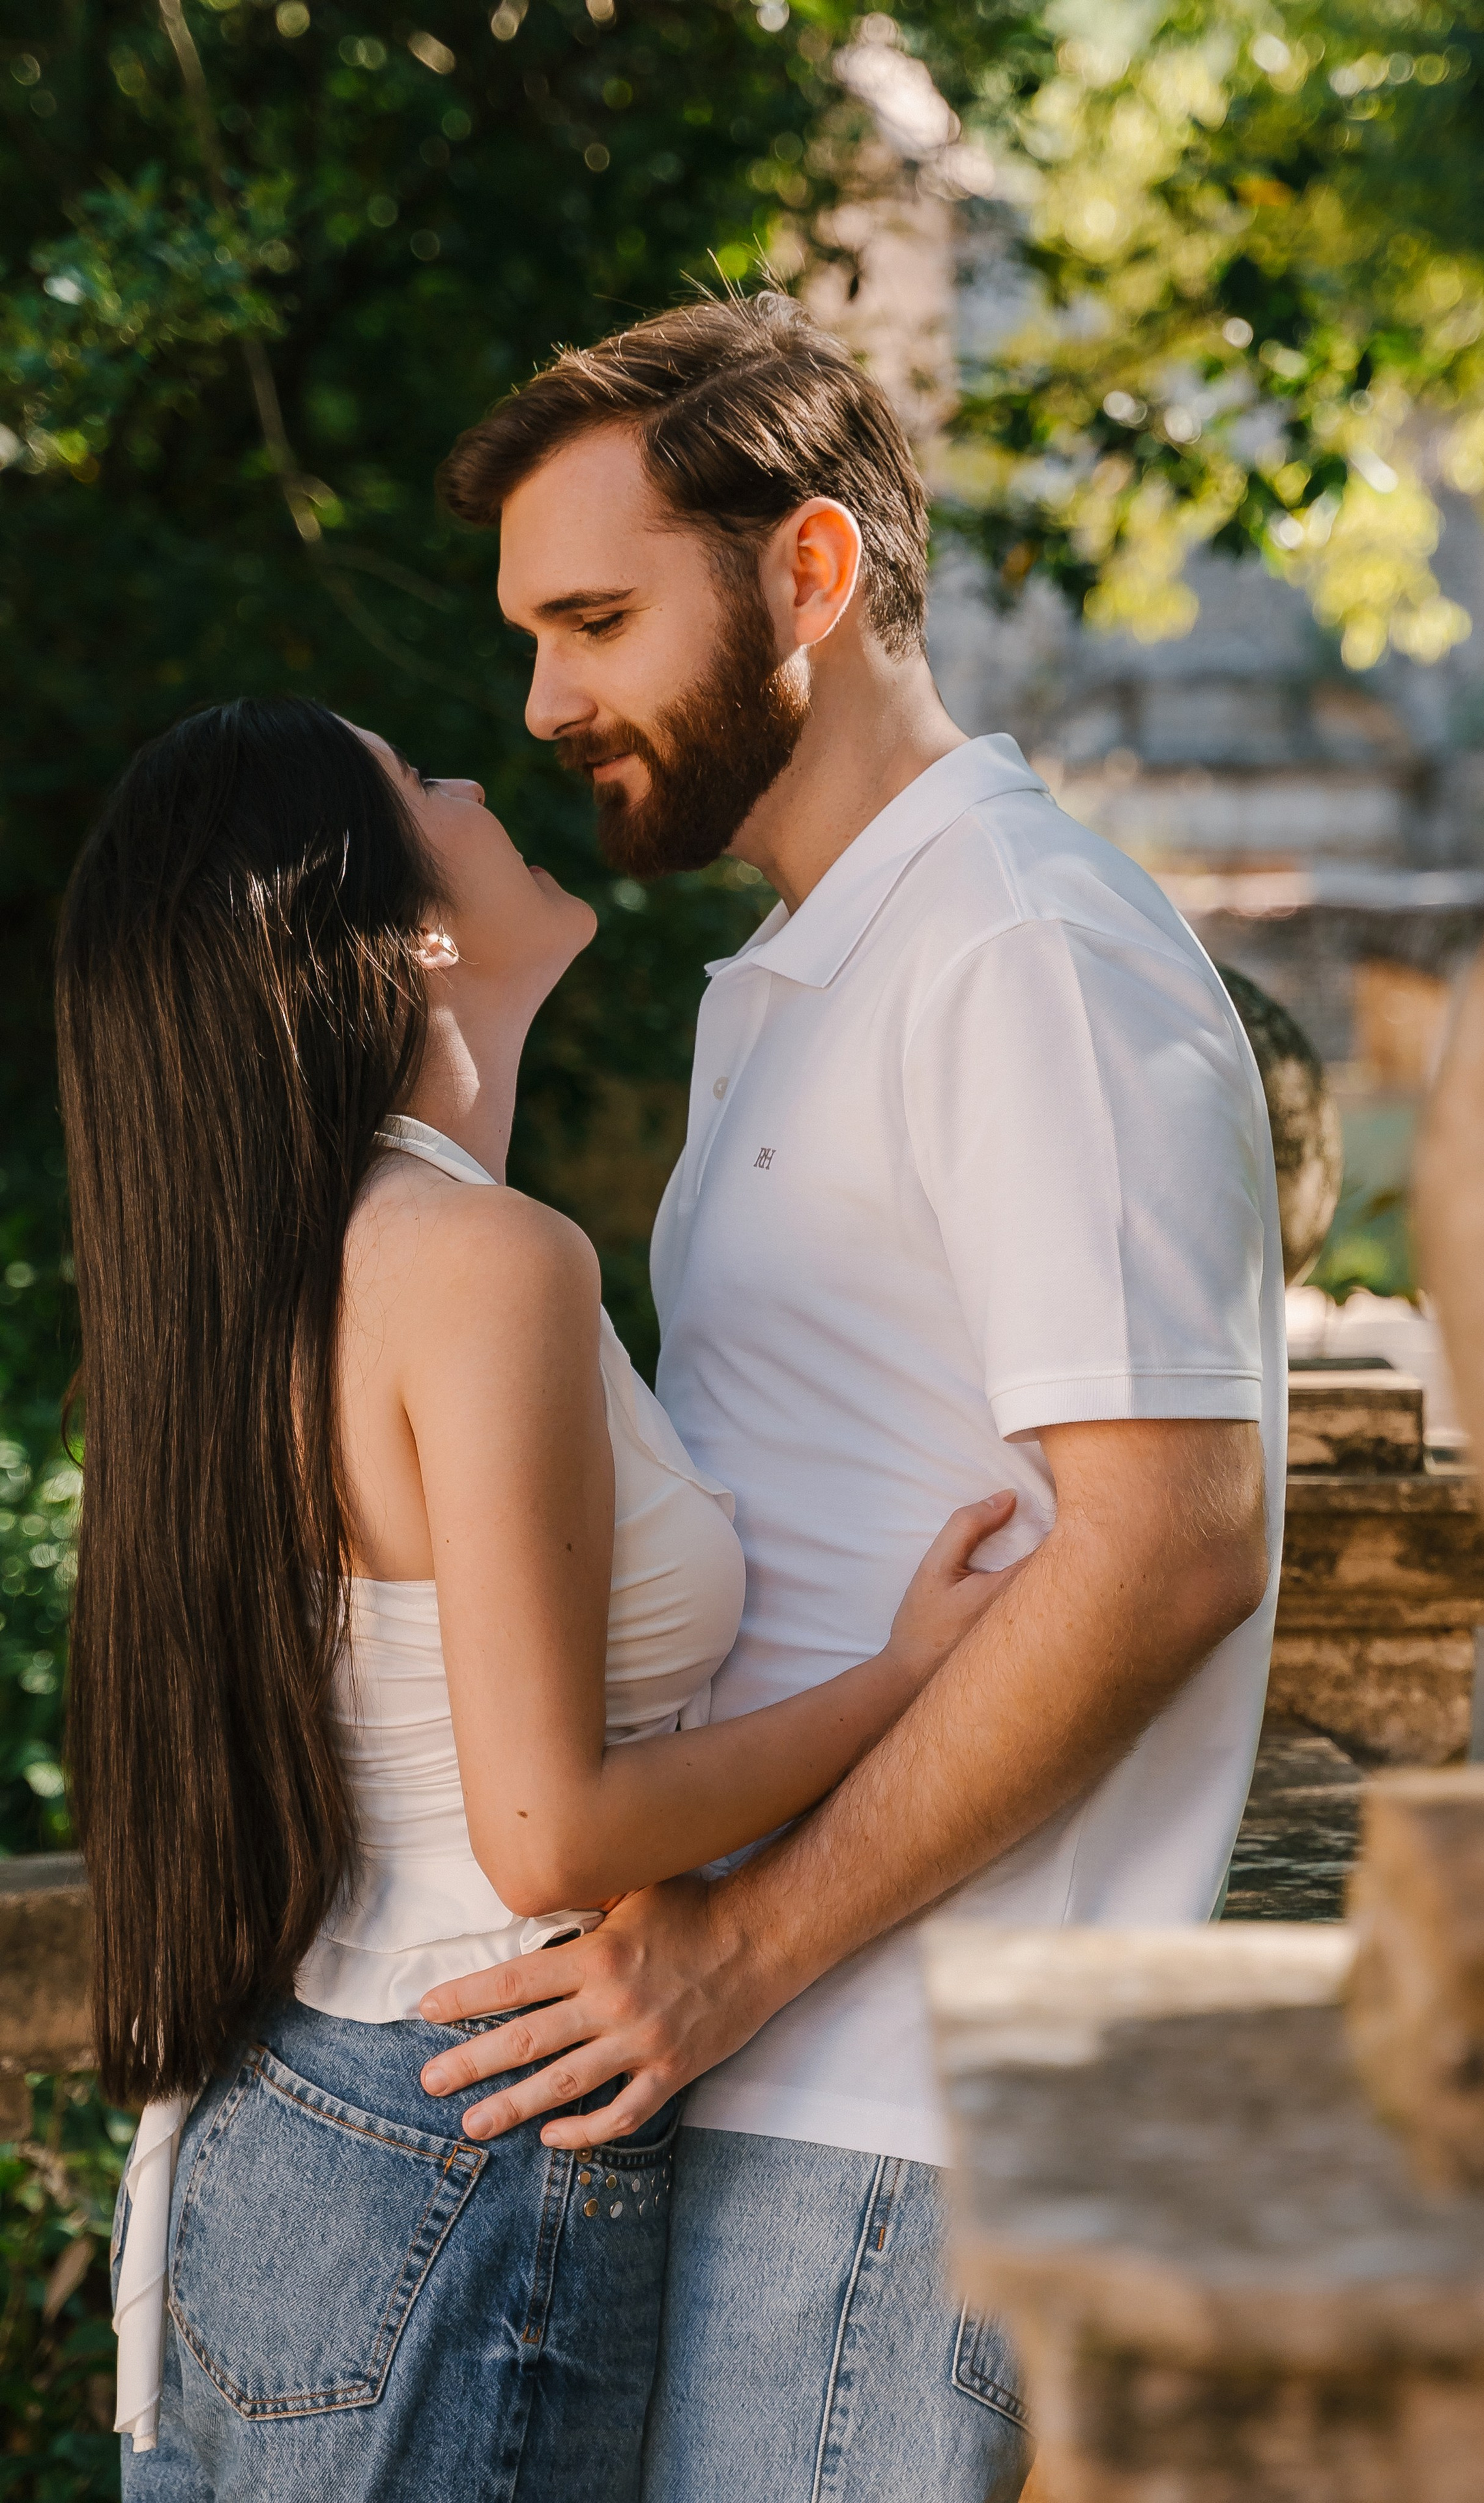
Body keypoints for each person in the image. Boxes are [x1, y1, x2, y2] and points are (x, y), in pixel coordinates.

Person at [415, 291, 1284, 2503]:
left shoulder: (1025, 947)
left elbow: (1174, 1542)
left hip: (909, 2105)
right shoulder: (802, 979)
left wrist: (732, 1950)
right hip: (760, 2070)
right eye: (533, 636)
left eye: (598, 617)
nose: (545, 703)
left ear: (809, 572)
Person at [60, 695, 1015, 2499]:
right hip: (469, 2131)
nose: (478, 780)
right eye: (418, 788)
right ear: (393, 934)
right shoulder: (480, 1264)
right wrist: (906, 1679)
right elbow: (549, 1835)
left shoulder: (281, 1268)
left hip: (315, 2102)